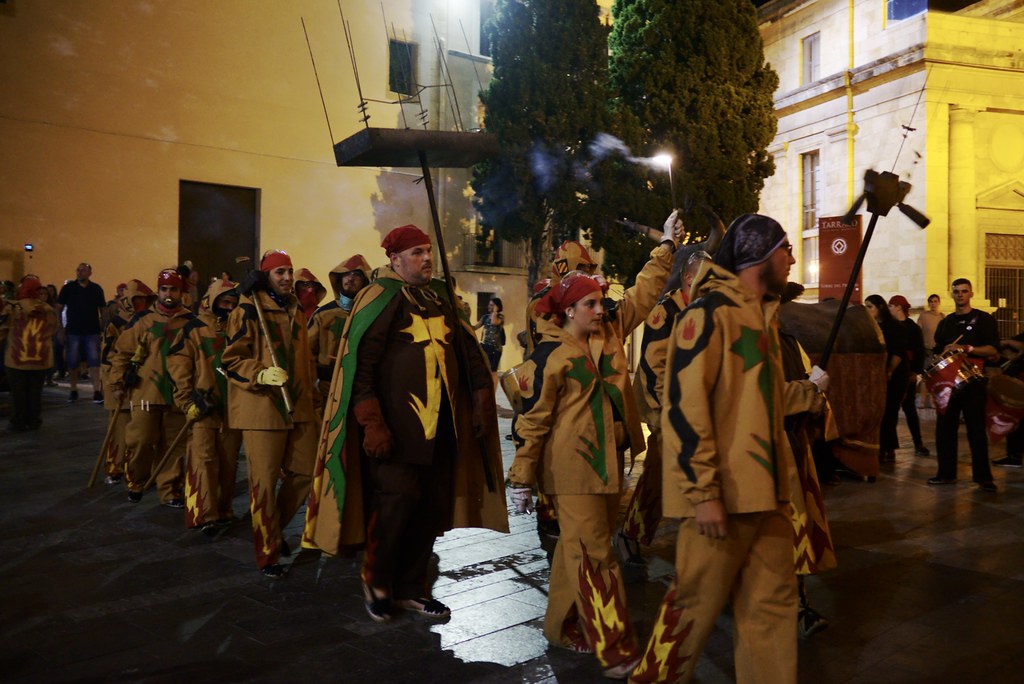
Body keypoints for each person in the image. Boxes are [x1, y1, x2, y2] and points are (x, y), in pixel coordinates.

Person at [631, 214, 825, 684]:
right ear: (759, 256)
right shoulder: (707, 315)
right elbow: (685, 410)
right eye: (785, 249)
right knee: (691, 609)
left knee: (772, 607)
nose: (793, 257)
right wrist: (704, 493)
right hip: (723, 498)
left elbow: (765, 399)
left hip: (769, 496)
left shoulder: (761, 318)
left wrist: (810, 392)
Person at [303, 224, 507, 622]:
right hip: (397, 432)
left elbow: (469, 355)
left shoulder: (441, 298)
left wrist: (481, 403)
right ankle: (377, 581)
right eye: (416, 253)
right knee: (395, 507)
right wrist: (373, 424)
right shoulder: (378, 298)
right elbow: (359, 368)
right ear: (394, 260)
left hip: (442, 431)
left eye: (428, 251)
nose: (426, 258)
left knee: (430, 509)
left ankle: (412, 588)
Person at [507, 221, 677, 680]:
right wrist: (521, 480)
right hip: (571, 473)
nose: (601, 308)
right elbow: (533, 420)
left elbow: (643, 292)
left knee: (575, 549)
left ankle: (560, 626)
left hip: (609, 466)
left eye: (601, 301)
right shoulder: (550, 357)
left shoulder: (610, 332)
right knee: (598, 554)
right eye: (591, 303)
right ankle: (614, 645)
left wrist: (665, 248)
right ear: (567, 311)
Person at [220, 250, 319, 579]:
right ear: (266, 276)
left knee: (305, 472)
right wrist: (260, 373)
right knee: (262, 483)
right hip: (263, 408)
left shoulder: (296, 309)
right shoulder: (248, 308)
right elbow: (230, 360)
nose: (288, 277)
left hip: (300, 406)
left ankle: (272, 530)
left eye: (289, 271)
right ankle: (267, 553)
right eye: (279, 272)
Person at [617, 248, 711, 568]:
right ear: (688, 278)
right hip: (665, 409)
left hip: (691, 410)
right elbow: (654, 366)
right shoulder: (666, 312)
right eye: (705, 278)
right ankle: (631, 533)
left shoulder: (702, 310)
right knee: (657, 474)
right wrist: (663, 413)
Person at [109, 268, 196, 506]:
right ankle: (136, 481)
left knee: (174, 446)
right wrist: (117, 382)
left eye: (174, 289)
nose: (169, 294)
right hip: (145, 391)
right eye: (164, 289)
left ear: (181, 292)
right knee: (141, 440)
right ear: (158, 291)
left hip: (179, 395)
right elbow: (122, 353)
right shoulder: (142, 320)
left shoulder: (191, 322)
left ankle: (169, 491)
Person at [168, 278, 242, 536]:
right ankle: (203, 514)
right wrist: (187, 401)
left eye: (233, 303)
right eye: (224, 302)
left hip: (233, 409)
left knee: (228, 462)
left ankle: (222, 509)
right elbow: (179, 366)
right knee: (203, 459)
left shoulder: (240, 329)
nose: (229, 308)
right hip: (203, 407)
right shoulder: (194, 329)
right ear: (211, 301)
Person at [928, 279, 998, 492]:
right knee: (944, 430)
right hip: (949, 382)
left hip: (973, 382)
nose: (960, 295)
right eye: (956, 291)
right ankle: (946, 474)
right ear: (952, 294)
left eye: (964, 291)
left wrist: (966, 348)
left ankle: (984, 477)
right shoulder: (946, 322)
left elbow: (993, 350)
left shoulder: (984, 319)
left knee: (976, 430)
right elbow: (937, 351)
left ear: (971, 294)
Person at [99, 279, 156, 484]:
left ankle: (137, 469)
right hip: (120, 380)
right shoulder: (116, 322)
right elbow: (109, 354)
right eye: (138, 298)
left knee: (140, 432)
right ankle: (114, 467)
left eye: (144, 298)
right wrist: (117, 379)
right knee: (119, 428)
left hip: (142, 383)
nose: (142, 302)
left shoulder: (150, 321)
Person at [307, 254, 371, 402]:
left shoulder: (371, 315)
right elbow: (305, 352)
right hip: (327, 389)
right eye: (346, 274)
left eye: (356, 275)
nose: (350, 278)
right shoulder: (323, 314)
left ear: (365, 281)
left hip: (361, 389)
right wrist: (316, 382)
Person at [0, 276, 59, 432]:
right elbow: (53, 329)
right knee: (35, 392)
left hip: (16, 357)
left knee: (18, 392)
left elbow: (2, 330)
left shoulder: (13, 307)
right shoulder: (47, 309)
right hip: (40, 358)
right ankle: (34, 421)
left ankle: (18, 422)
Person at [865, 294, 909, 464]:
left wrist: (889, 371)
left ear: (880, 307)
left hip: (894, 376)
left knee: (889, 411)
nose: (867, 310)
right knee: (880, 412)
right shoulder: (873, 326)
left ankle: (887, 448)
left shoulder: (895, 327)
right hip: (878, 375)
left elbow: (898, 352)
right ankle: (883, 446)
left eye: (870, 307)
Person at [58, 263, 106, 403]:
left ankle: (96, 390)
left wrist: (103, 326)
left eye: (83, 270)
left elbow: (103, 309)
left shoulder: (96, 289)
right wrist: (60, 328)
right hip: (73, 330)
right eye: (78, 270)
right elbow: (59, 308)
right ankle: (73, 390)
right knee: (72, 361)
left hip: (92, 330)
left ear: (90, 272)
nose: (80, 273)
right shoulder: (68, 288)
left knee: (94, 361)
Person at [888, 295, 928, 456]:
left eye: (891, 306)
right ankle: (889, 447)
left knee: (909, 409)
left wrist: (914, 371)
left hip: (907, 373)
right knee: (891, 411)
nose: (889, 309)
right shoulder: (890, 326)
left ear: (898, 307)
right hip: (893, 374)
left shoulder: (912, 328)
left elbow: (919, 351)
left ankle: (918, 443)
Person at [917, 293, 944, 409]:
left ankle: (933, 400)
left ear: (938, 303)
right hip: (926, 350)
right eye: (931, 301)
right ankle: (922, 400)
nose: (933, 304)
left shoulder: (942, 317)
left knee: (935, 377)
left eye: (935, 301)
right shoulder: (923, 315)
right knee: (925, 376)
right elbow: (918, 331)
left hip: (937, 351)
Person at [473, 296, 505, 373]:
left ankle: (493, 385)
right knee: (484, 369)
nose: (489, 307)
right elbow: (475, 327)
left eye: (492, 305)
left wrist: (495, 311)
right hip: (486, 347)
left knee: (493, 371)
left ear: (497, 306)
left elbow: (494, 322)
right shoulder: (485, 317)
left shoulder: (500, 317)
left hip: (496, 349)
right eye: (489, 305)